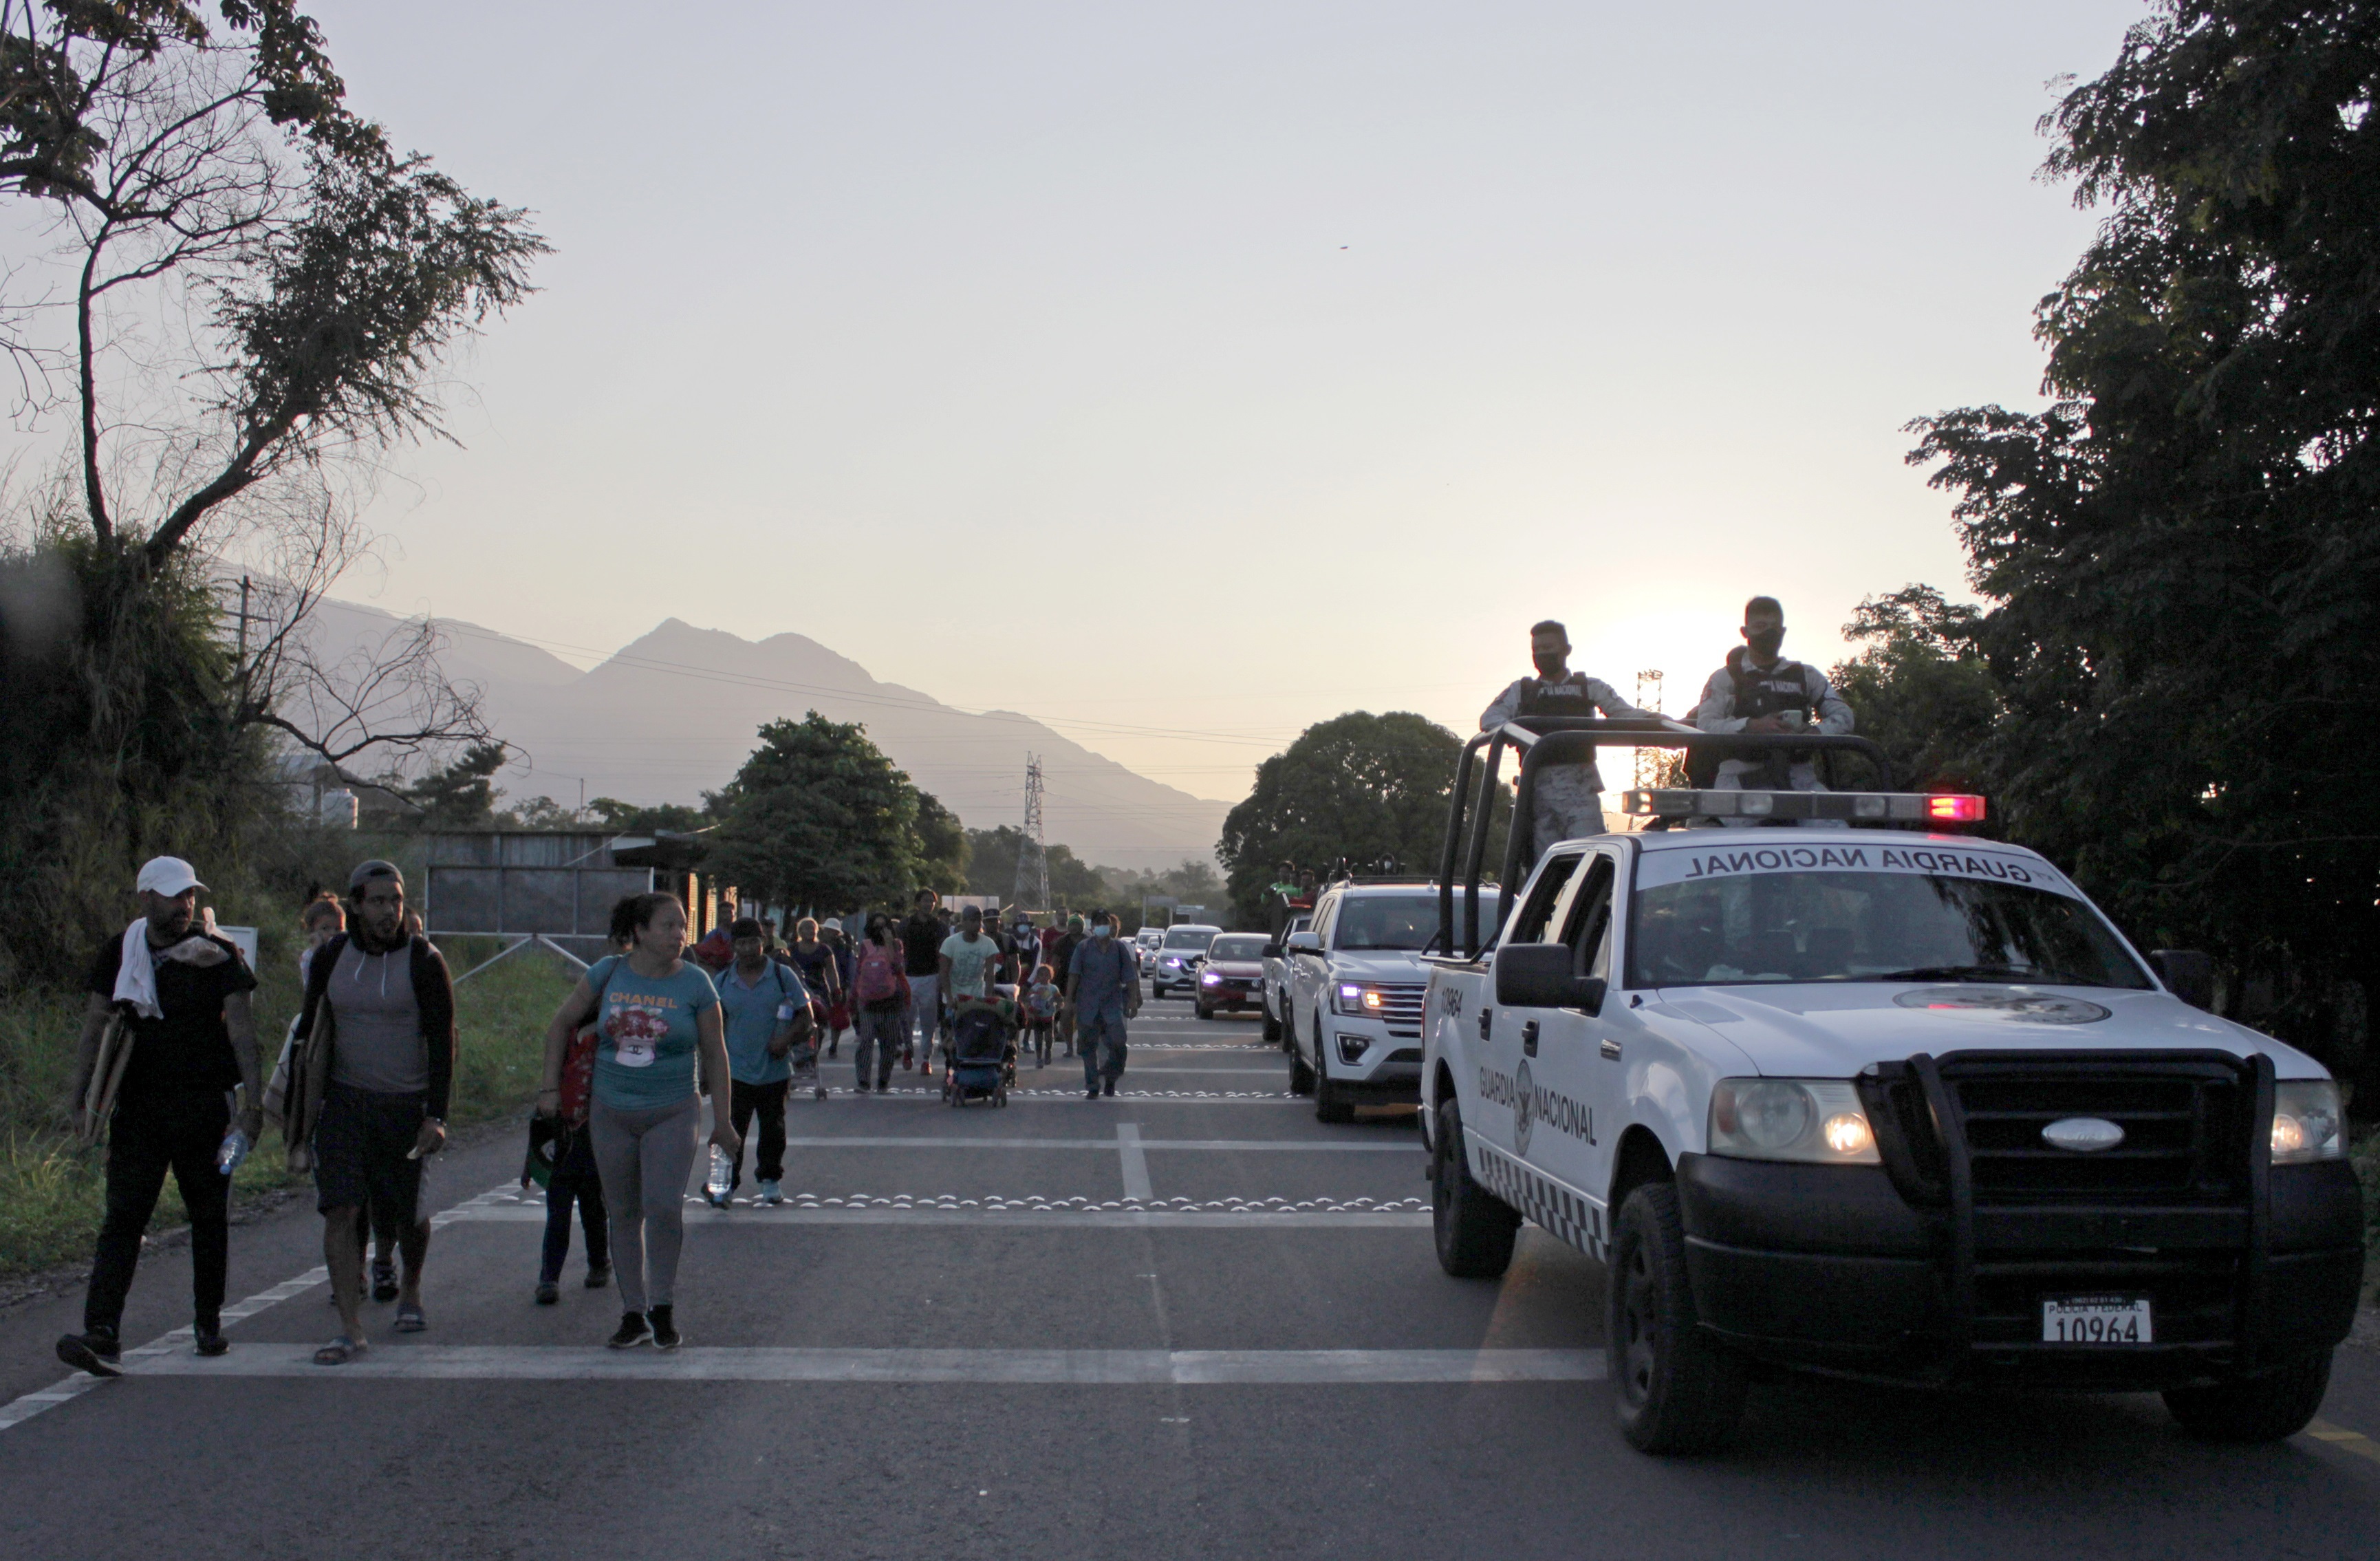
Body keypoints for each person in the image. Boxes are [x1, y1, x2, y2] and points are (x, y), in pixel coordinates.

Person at [56, 857, 263, 1377]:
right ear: (146, 898)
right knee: (123, 1219)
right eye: (174, 895)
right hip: (140, 1110)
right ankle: (102, 1332)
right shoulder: (122, 952)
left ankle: (208, 1322)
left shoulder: (217, 955)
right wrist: (79, 1098)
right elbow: (96, 1026)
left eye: (190, 895)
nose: (185, 905)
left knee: (208, 1218)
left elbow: (243, 1032)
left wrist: (253, 1109)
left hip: (205, 1107)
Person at [537, 892, 739, 1352]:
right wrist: (549, 1090)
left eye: (683, 925)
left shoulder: (697, 984)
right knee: (624, 1212)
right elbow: (560, 1025)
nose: (679, 934)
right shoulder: (607, 973)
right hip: (610, 1112)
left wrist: (724, 1122)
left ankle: (661, 1305)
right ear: (640, 931)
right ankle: (633, 1312)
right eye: (668, 925)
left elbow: (715, 1054)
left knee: (663, 1206)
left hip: (673, 1111)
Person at [284, 861, 457, 1366]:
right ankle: (350, 1327)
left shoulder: (424, 960)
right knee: (341, 1209)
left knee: (406, 1214)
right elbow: (309, 1031)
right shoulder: (331, 957)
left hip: (405, 1104)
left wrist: (436, 1115)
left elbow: (443, 1042)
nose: (389, 911)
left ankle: (411, 1288)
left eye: (396, 901)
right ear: (356, 906)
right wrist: (298, 1112)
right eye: (378, 901)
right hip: (344, 1102)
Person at [1480, 619, 1652, 861]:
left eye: (1548, 648)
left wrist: (1654, 719)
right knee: (1543, 870)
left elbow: (1624, 714)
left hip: (1581, 795)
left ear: (1566, 650)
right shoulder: (1521, 690)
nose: (1542, 654)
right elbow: (1490, 718)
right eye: (1536, 650)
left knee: (1589, 864)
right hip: (1537, 797)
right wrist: (1518, 734)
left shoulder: (1589, 686)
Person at [1692, 596, 1854, 826]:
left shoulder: (1806, 675)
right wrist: (1752, 726)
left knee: (1837, 835)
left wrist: (1815, 732)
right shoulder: (1725, 678)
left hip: (1801, 781)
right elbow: (1706, 726)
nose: (1769, 633)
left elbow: (1844, 716)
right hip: (1740, 784)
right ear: (1745, 632)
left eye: (1774, 627)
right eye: (1760, 626)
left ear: (1783, 631)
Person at [711, 917, 814, 1207]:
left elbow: (806, 1017)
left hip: (774, 1070)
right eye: (742, 943)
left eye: (753, 943)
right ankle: (726, 1185)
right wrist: (708, 1069)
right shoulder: (722, 981)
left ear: (764, 942)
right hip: (734, 1071)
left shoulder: (782, 975)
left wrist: (786, 1039)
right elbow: (712, 1027)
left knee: (773, 1130)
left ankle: (770, 1180)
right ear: (733, 946)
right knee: (733, 1130)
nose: (748, 949)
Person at [1065, 909, 1141, 1101]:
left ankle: (1111, 1075)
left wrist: (1133, 999)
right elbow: (1074, 974)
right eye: (1098, 923)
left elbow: (1130, 976)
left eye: (1105, 923)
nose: (1102, 927)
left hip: (1112, 1004)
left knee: (1118, 1043)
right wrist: (1068, 1001)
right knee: (1087, 1048)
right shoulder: (1083, 948)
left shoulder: (1120, 948)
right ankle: (1092, 1086)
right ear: (1092, 927)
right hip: (1088, 1004)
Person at [849, 913, 909, 1092]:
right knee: (866, 1040)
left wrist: (890, 944)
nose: (880, 931)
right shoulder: (865, 946)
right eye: (876, 927)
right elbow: (859, 972)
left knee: (889, 1043)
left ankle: (883, 1081)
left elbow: (897, 967)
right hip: (867, 1001)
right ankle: (863, 1081)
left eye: (884, 927)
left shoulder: (896, 944)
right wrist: (853, 998)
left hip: (890, 1001)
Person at [938, 905, 1001, 1042]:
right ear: (964, 922)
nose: (976, 924)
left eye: (979, 921)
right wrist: (949, 998)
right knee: (951, 1036)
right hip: (954, 998)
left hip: (976, 998)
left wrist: (988, 998)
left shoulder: (988, 944)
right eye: (973, 921)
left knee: (973, 1037)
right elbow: (944, 973)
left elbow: (990, 975)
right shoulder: (950, 943)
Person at [900, 890, 944, 1070]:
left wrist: (942, 978)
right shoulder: (906, 924)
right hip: (909, 977)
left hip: (931, 978)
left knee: (929, 1022)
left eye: (932, 902)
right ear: (917, 903)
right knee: (907, 1019)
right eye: (926, 901)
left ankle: (926, 1059)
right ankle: (908, 1050)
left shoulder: (939, 926)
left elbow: (944, 953)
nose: (929, 904)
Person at [1048, 914, 1086, 1056]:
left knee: (1083, 1017)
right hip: (1064, 981)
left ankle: (1082, 1043)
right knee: (1066, 1016)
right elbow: (1055, 961)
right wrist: (1050, 980)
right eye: (1072, 924)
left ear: (1081, 927)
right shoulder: (1062, 941)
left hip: (1084, 982)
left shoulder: (1087, 941)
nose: (1074, 927)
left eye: (1077, 924)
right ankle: (1069, 1046)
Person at [817, 923, 855, 1058]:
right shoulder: (818, 947)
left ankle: (833, 1045)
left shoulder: (845, 949)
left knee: (837, 1017)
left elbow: (851, 970)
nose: (829, 932)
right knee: (819, 1018)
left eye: (832, 930)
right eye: (827, 930)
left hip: (839, 987)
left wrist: (849, 989)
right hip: (820, 986)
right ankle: (818, 1042)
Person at [1022, 963, 1061, 1066]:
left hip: (1049, 1018)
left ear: (1051, 976)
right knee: (1038, 1040)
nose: (1044, 977)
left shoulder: (1053, 988)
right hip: (1038, 1018)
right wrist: (1031, 1009)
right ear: (1038, 977)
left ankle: (1048, 1051)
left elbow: (1059, 999)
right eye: (1041, 975)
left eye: (1047, 975)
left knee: (1049, 1039)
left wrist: (1057, 1007)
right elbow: (1027, 1000)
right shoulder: (1035, 988)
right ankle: (1039, 1059)